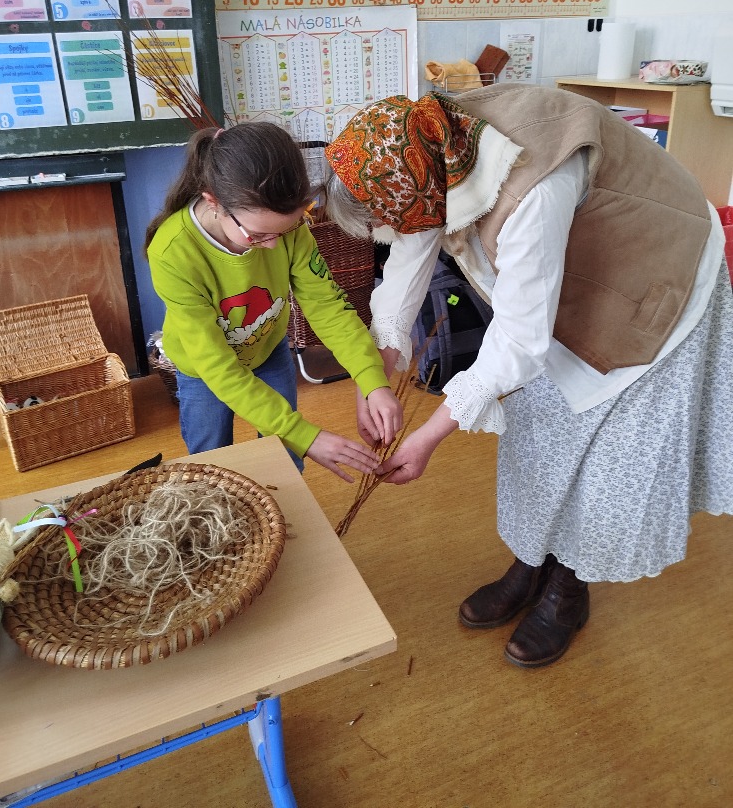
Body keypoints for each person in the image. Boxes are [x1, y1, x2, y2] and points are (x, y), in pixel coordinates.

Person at [324, 84, 733, 668]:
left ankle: (568, 588)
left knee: (605, 457)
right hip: (574, 270)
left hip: (655, 269)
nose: (401, 229)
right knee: (537, 430)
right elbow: (411, 255)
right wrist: (378, 376)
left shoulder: (532, 186)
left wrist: (429, 436)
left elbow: (519, 340)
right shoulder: (427, 150)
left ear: (412, 191)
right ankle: (531, 561)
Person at [146, 121, 403, 482]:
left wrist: (373, 380)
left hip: (267, 351)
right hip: (203, 371)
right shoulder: (172, 251)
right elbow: (218, 368)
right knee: (210, 465)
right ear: (213, 202)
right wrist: (304, 435)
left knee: (285, 458)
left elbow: (329, 308)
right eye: (258, 234)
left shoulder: (287, 228)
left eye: (285, 230)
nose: (272, 245)